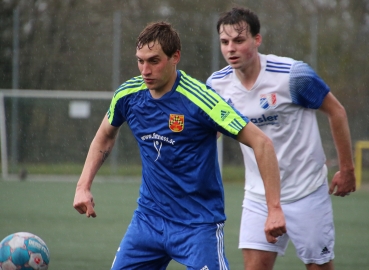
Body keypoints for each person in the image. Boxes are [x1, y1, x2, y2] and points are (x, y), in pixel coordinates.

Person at [73, 21, 286, 269]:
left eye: (154, 61)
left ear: (175, 57)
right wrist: (83, 186)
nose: (145, 70)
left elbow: (262, 143)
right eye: (140, 61)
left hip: (197, 225)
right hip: (148, 220)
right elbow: (105, 135)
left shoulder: (201, 100)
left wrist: (274, 209)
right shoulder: (128, 95)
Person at [207, 7, 356, 270]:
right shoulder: (217, 86)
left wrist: (347, 169)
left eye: (239, 41)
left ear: (257, 40)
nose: (231, 48)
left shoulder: (292, 75)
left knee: (319, 266)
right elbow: (211, 133)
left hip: (306, 190)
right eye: (224, 42)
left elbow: (337, 112)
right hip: (258, 196)